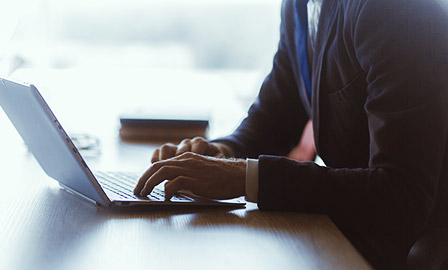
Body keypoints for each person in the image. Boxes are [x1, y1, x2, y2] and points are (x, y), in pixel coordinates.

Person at [134, 0, 448, 269]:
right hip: (347, 234)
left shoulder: (395, 10)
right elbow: (275, 115)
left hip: (402, 247)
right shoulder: (299, 5)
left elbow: (403, 196)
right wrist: (223, 151)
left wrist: (244, 178)